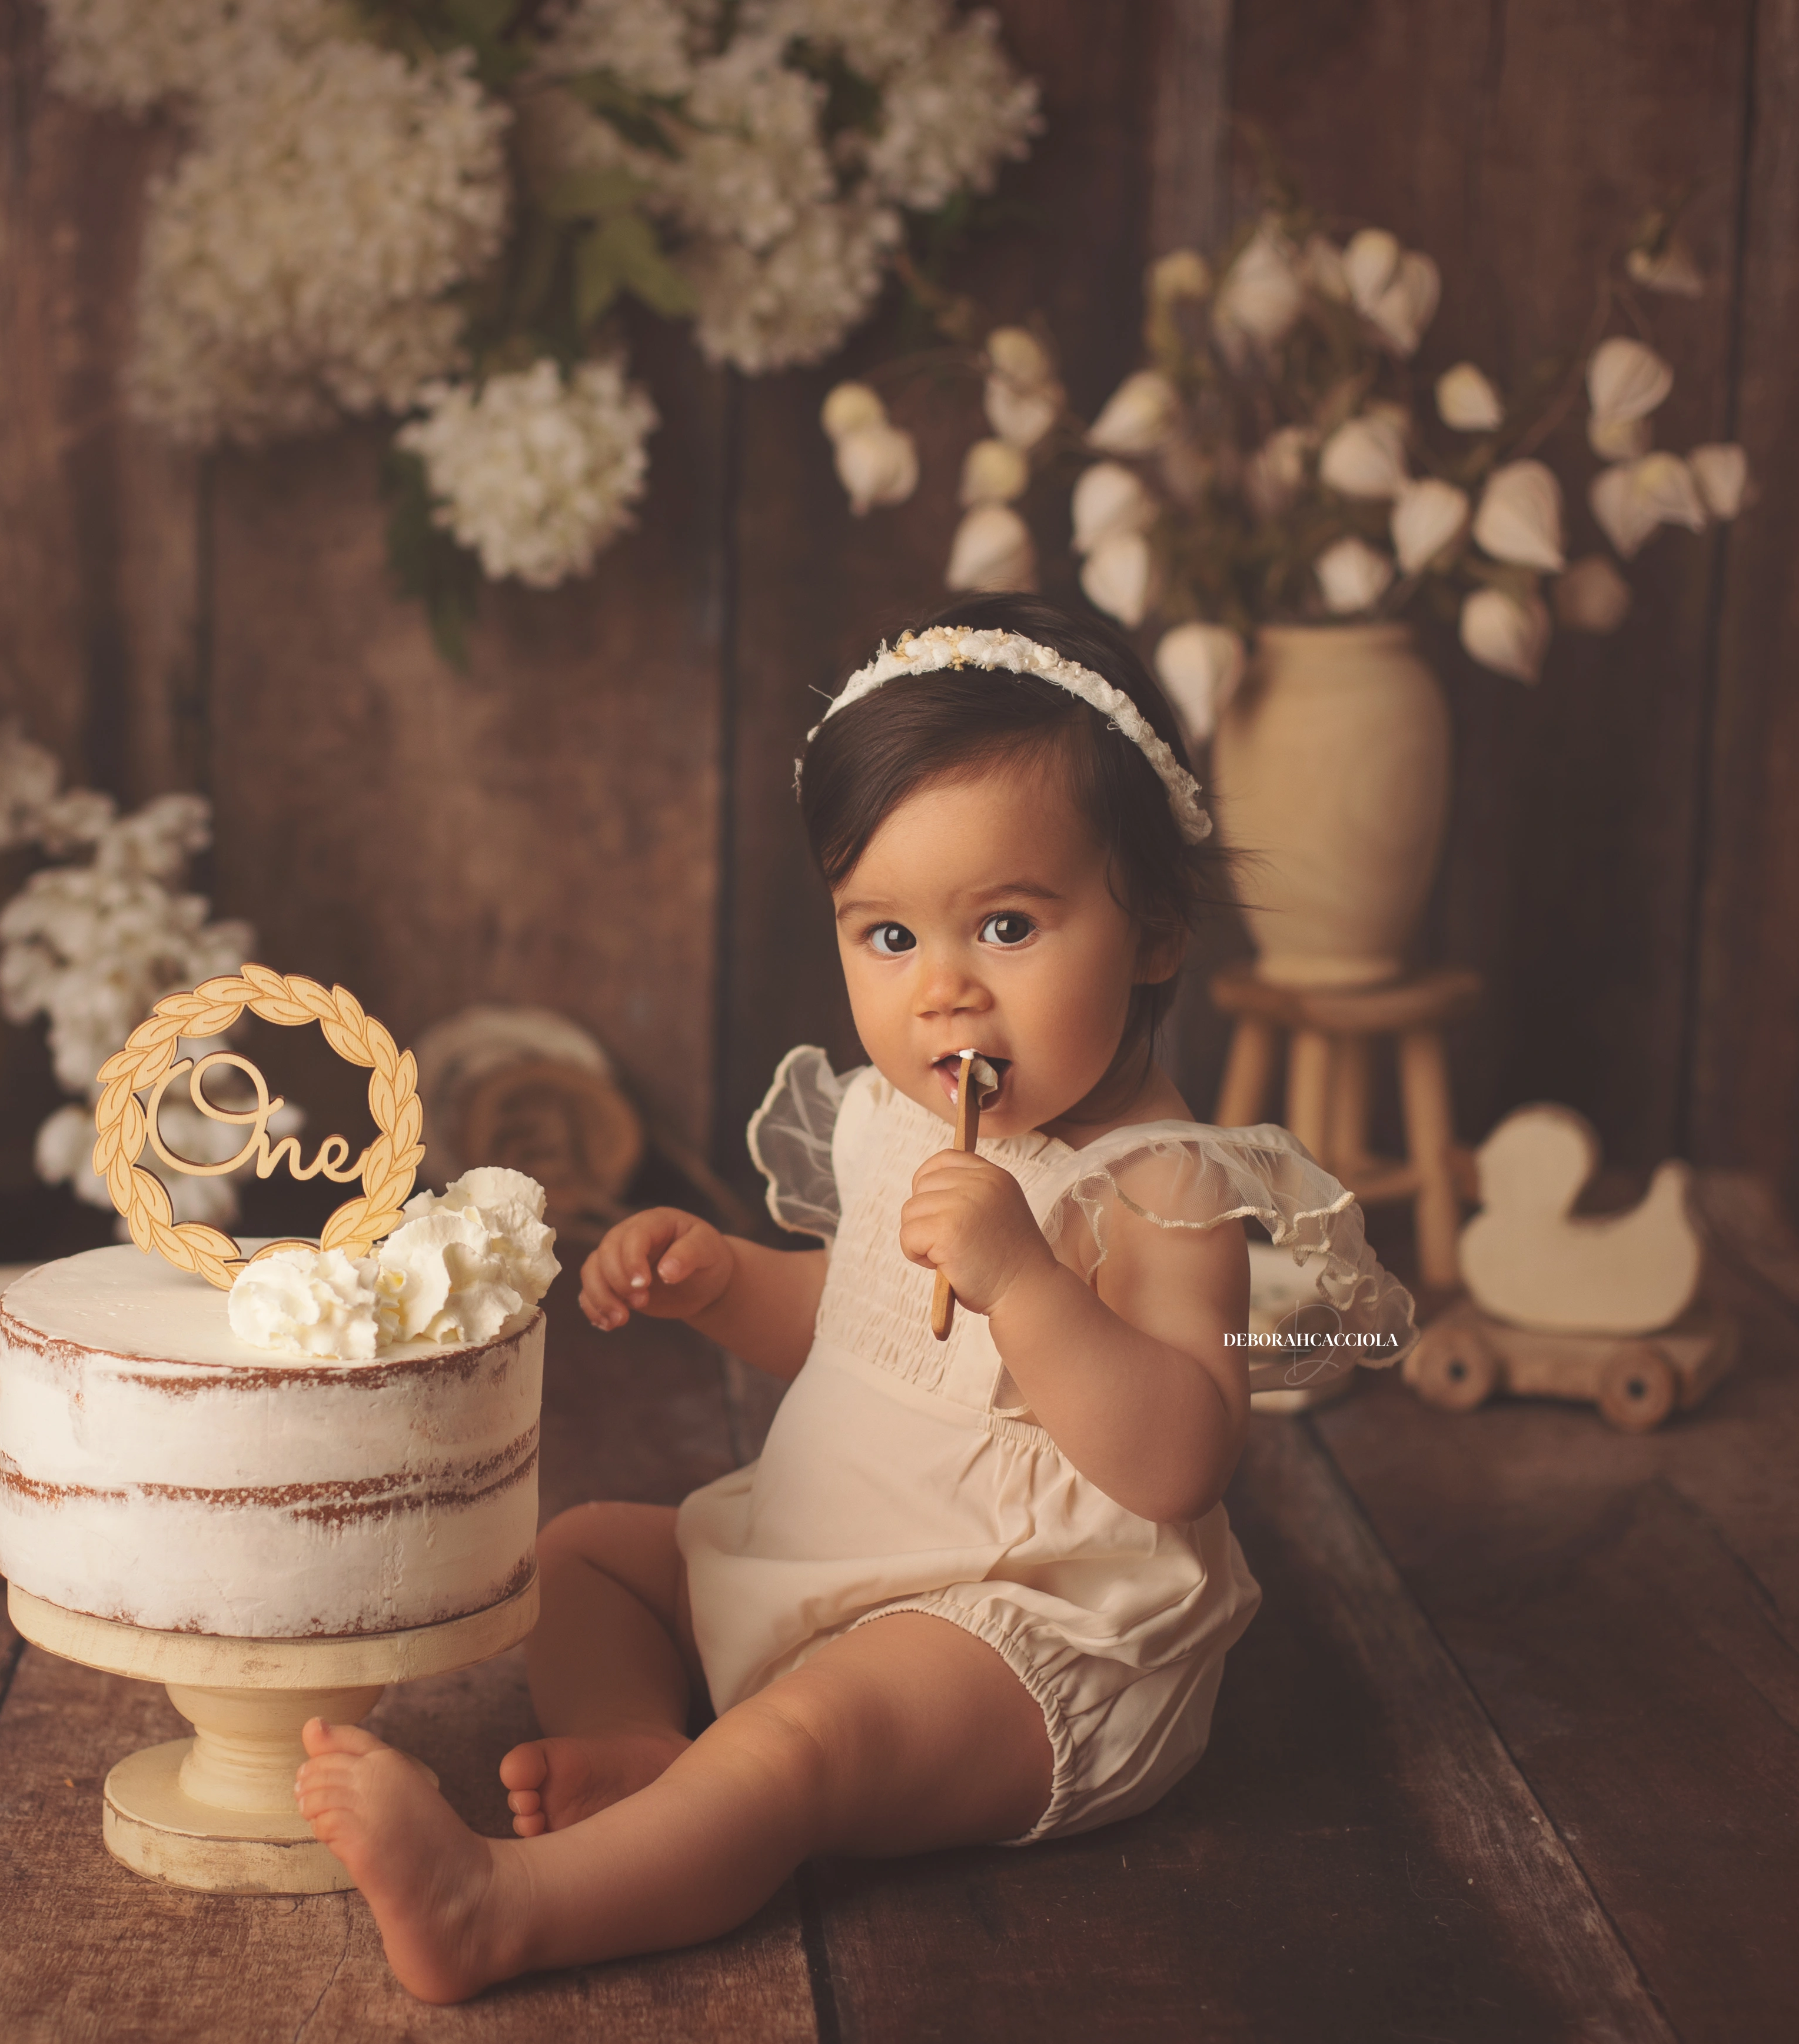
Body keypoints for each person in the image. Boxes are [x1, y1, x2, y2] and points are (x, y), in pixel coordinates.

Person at [292, 591, 1414, 2002]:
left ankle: (501, 1907)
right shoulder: (893, 1123)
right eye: (887, 938)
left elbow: (1180, 1455)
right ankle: (649, 1766)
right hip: (823, 1554)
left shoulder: (1160, 1183)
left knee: (799, 1747)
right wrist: (723, 1286)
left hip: (1018, 1631)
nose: (940, 994)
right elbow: (863, 1322)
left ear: (1153, 932)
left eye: (1004, 926)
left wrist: (1023, 1281)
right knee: (580, 1554)